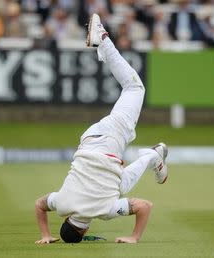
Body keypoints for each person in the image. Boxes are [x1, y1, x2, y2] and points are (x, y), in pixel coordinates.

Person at [34, 13, 168, 244]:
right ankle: (152, 157)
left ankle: (103, 39)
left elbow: (145, 206)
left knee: (134, 87)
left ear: (84, 232)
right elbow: (39, 205)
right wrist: (46, 235)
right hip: (89, 140)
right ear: (66, 220)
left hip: (109, 143)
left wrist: (134, 237)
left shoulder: (106, 211)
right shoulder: (62, 204)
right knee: (119, 185)